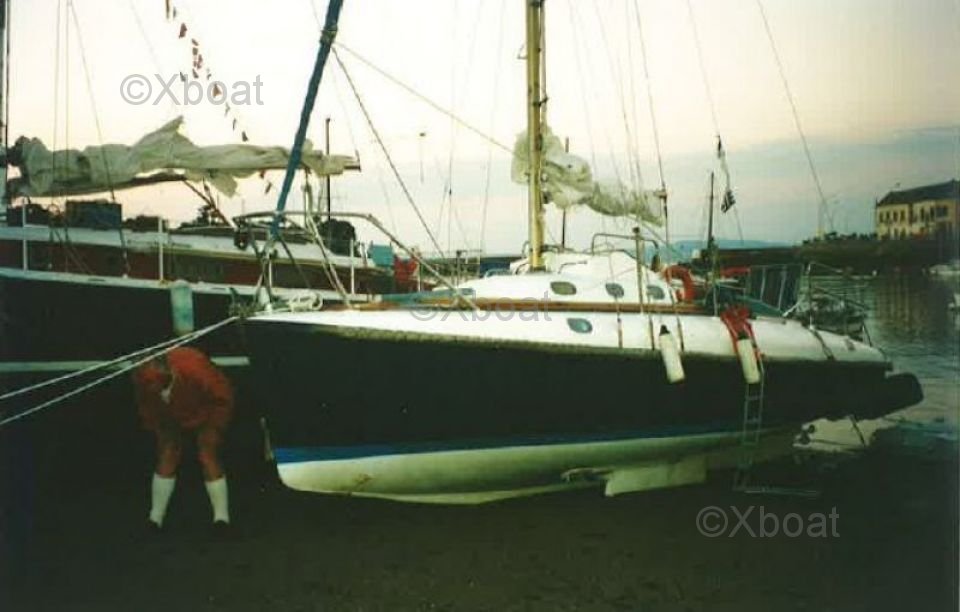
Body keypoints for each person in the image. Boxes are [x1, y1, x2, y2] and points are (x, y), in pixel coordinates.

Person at [133, 346, 234, 531]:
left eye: (158, 384)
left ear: (167, 370)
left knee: (207, 454)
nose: (154, 388)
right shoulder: (142, 376)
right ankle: (154, 520)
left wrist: (215, 428)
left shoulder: (196, 368)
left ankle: (222, 520)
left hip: (208, 408)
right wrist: (158, 428)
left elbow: (222, 397)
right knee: (167, 454)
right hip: (170, 411)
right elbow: (146, 404)